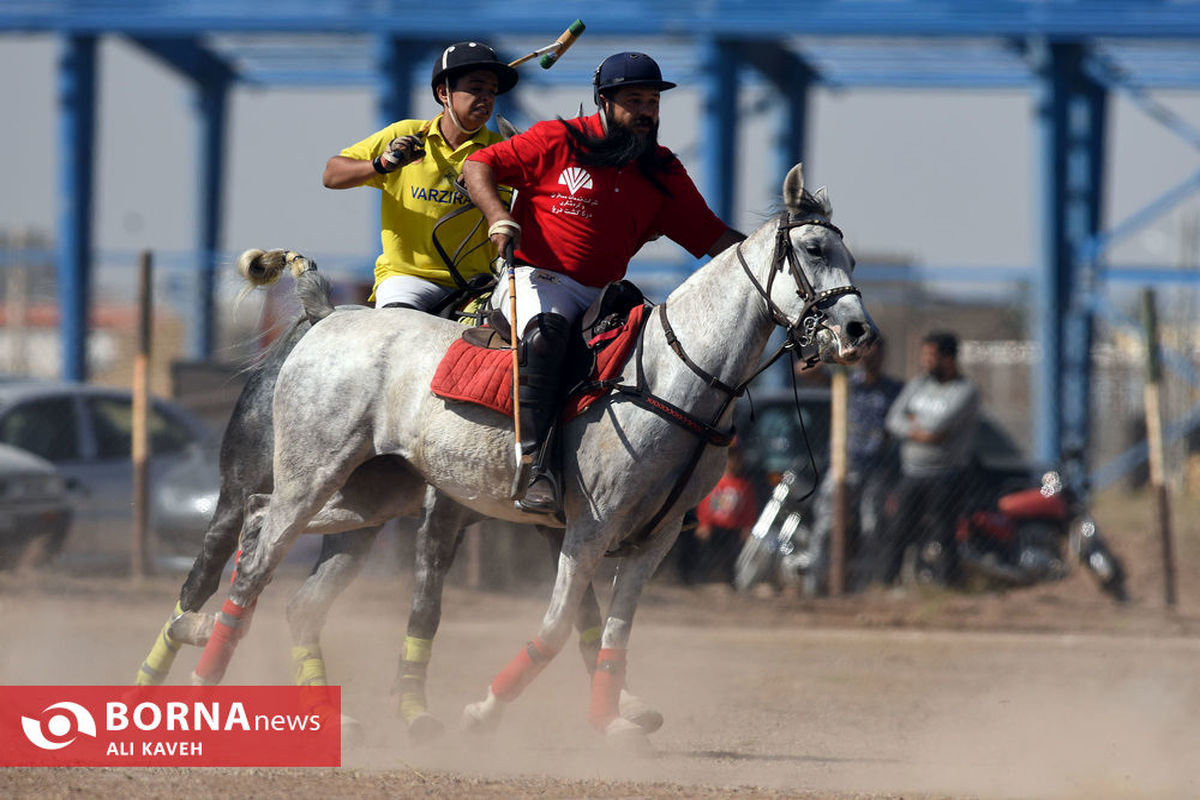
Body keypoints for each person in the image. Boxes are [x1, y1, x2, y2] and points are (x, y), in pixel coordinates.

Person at [462, 51, 745, 513]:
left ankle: (647, 489)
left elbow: (714, 236)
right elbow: (478, 165)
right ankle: (534, 468)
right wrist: (498, 218)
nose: (646, 112)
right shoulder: (557, 138)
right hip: (539, 278)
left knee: (656, 352)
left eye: (653, 101)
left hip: (603, 294)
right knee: (548, 338)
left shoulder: (662, 168)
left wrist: (775, 249)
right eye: (634, 100)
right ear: (603, 101)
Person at [322, 41, 518, 310]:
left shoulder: (504, 150)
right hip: (409, 278)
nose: (486, 98)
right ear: (443, 93)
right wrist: (382, 165)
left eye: (491, 91)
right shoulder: (404, 133)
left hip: (477, 285)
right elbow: (332, 175)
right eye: (475, 89)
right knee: (396, 335)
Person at [873, 331, 980, 586]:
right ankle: (885, 584)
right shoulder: (919, 384)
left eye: (932, 356)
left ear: (949, 358)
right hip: (911, 473)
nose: (926, 362)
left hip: (945, 476)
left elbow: (937, 428)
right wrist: (919, 430)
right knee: (896, 530)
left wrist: (914, 422)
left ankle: (947, 587)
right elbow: (893, 419)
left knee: (944, 534)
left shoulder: (965, 391)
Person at [808, 337, 903, 592]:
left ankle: (864, 583)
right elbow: (807, 372)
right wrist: (839, 358)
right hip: (842, 466)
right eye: (866, 350)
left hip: (874, 470)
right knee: (826, 523)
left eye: (876, 351)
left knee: (871, 526)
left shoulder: (893, 390)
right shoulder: (847, 382)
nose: (871, 356)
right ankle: (815, 581)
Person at [686, 445, 758, 586]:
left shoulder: (744, 486)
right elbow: (705, 505)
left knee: (731, 557)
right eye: (730, 459)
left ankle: (727, 581)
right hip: (715, 527)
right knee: (707, 554)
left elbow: (749, 509)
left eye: (737, 460)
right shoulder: (716, 482)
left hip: (733, 529)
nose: (733, 463)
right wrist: (704, 523)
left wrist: (747, 527)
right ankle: (702, 579)